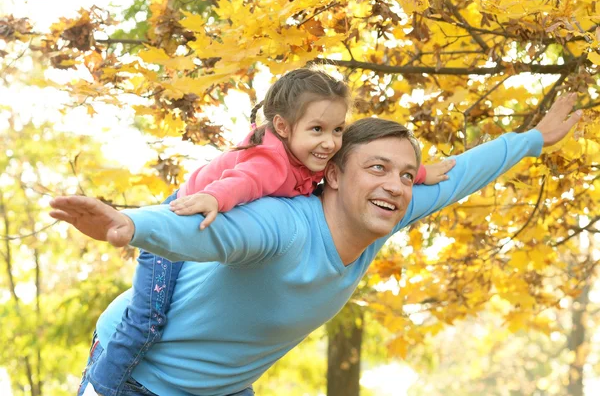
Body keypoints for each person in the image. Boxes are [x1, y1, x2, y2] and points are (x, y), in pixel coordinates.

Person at [50, 93, 581, 396]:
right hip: (143, 377)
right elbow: (208, 231)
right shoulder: (283, 226)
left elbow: (464, 173)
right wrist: (132, 226)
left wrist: (535, 139)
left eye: (404, 174)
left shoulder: (383, 212)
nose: (396, 185)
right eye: (377, 168)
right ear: (331, 175)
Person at [73, 67, 453, 396]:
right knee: (148, 319)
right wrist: (212, 199)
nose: (330, 142)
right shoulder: (269, 161)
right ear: (284, 127)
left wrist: (417, 173)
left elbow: (369, 166)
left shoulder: (317, 156)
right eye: (318, 129)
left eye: (338, 130)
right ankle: (101, 387)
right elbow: (245, 182)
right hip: (186, 214)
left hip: (215, 223)